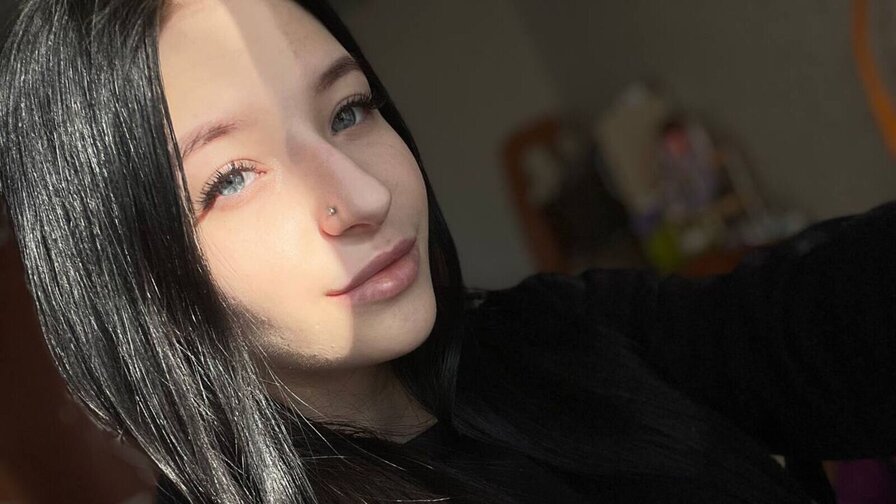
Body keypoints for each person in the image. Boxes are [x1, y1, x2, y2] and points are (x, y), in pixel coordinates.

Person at [0, 0, 893, 502]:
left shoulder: (552, 335)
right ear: (124, 278)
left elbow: (809, 322)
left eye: (348, 111)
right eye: (231, 177)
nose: (363, 195)